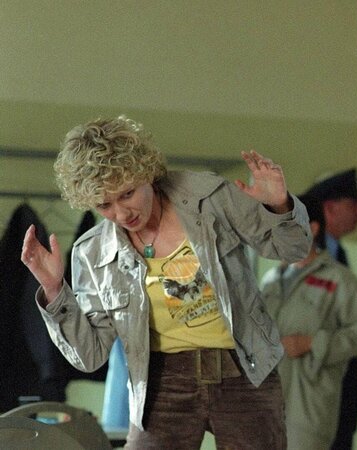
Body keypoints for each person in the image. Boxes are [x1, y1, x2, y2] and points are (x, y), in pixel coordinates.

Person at [20, 116, 312, 449]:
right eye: (104, 205)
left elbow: (294, 249)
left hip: (245, 368)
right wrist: (56, 291)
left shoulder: (209, 197)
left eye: (127, 193)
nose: (121, 213)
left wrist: (279, 205)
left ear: (147, 173)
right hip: (161, 379)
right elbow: (89, 356)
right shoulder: (92, 253)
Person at [262, 194, 357, 449]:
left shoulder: (339, 279)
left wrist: (313, 343)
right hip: (267, 402)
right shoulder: (271, 278)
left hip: (309, 405)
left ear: (312, 228)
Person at [303, 168, 357, 449]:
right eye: (353, 205)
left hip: (340, 364)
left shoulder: (337, 254)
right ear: (329, 209)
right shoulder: (305, 256)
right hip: (316, 369)